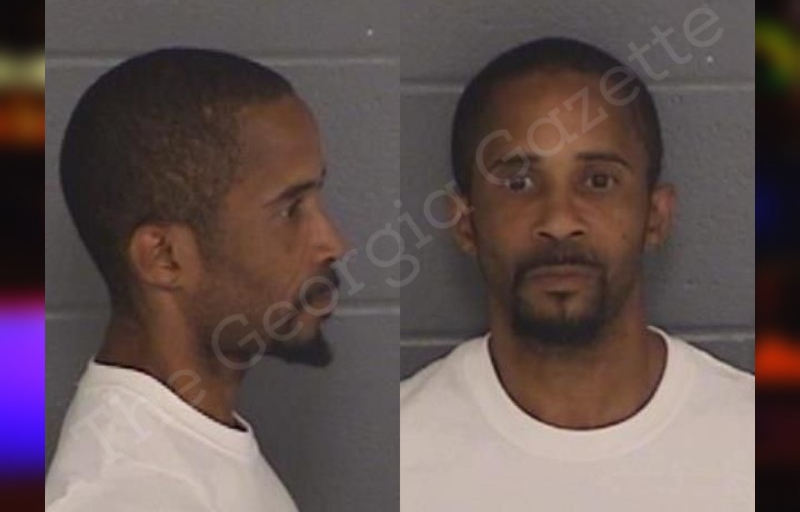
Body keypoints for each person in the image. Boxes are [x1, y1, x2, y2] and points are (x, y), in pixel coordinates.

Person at [401, 38, 754, 511]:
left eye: (599, 181)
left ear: (656, 216)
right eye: (518, 182)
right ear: (466, 223)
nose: (560, 220)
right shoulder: (400, 452)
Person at [46, 48, 347, 511]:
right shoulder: (122, 495)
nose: (332, 243)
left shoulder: (189, 450)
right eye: (290, 210)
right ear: (164, 257)